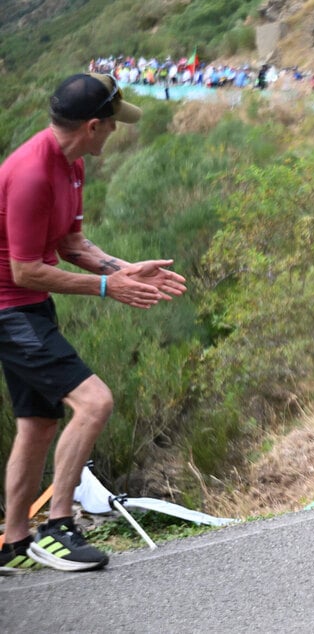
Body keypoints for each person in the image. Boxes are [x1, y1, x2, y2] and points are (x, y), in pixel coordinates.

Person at [0, 73, 187, 574]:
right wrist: (109, 288)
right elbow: (25, 269)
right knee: (94, 401)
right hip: (8, 309)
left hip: (27, 306)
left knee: (38, 424)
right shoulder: (33, 174)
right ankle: (58, 528)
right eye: (112, 125)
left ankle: (14, 540)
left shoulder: (73, 166)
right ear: (91, 125)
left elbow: (72, 246)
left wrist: (125, 269)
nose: (115, 133)